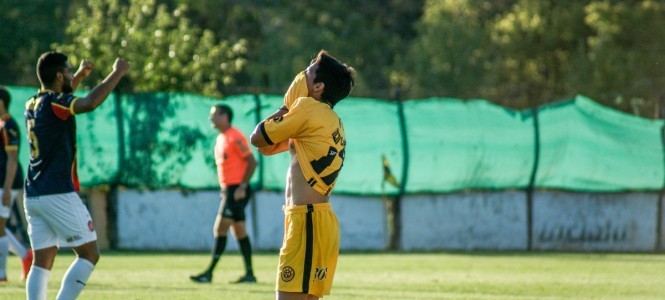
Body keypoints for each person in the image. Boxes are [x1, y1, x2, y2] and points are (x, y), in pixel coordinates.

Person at [24, 51, 129, 300]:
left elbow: (64, 100)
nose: (73, 74)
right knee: (89, 253)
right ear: (59, 75)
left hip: (34, 193)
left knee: (42, 261)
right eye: (70, 71)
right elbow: (89, 103)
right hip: (57, 191)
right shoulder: (55, 103)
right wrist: (118, 72)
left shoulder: (33, 103)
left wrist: (80, 75)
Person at [250, 50, 354, 300]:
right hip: (318, 220)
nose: (301, 74)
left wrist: (286, 106)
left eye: (308, 70)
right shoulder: (331, 119)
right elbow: (268, 147)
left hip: (306, 221)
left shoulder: (307, 108)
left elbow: (257, 138)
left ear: (318, 87)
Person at [190, 104, 258, 284]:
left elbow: (252, 162)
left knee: (220, 228)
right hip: (229, 190)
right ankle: (249, 274)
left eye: (214, 115)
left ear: (225, 116)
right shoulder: (222, 138)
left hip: (236, 190)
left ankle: (209, 273)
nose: (211, 118)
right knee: (239, 231)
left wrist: (242, 187)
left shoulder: (235, 136)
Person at [0, 86, 33, 282]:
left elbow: (12, 159)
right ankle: (24, 254)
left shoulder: (9, 125)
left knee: (0, 227)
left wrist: (7, 188)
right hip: (2, 183)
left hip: (6, 183)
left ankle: (2, 274)